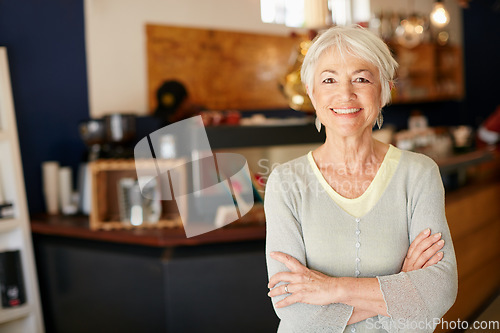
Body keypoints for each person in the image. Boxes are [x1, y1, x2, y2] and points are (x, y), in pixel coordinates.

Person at [265, 25, 457, 332]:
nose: (345, 93)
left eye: (361, 78)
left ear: (383, 90)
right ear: (312, 94)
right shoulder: (285, 183)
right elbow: (295, 312)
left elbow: (439, 292)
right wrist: (399, 290)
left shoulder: (419, 174)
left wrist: (331, 289)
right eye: (329, 79)